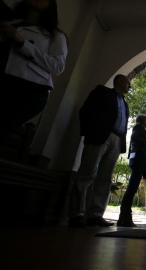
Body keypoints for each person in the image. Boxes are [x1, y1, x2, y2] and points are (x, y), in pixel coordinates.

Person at [0, 0, 68, 139]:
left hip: (30, 90)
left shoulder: (56, 36)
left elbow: (57, 66)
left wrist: (23, 44)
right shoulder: (11, 22)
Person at [69, 74, 130, 227]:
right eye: (128, 83)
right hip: (99, 136)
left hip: (116, 140)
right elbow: (85, 111)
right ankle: (77, 213)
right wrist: (89, 132)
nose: (130, 86)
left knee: (105, 178)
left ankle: (95, 214)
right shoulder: (102, 92)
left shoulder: (125, 103)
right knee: (87, 173)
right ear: (120, 81)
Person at [117, 114, 146, 227]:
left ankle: (125, 217)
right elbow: (138, 142)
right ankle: (124, 217)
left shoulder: (139, 130)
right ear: (143, 121)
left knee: (132, 189)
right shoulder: (138, 129)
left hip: (138, 162)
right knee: (131, 189)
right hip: (138, 162)